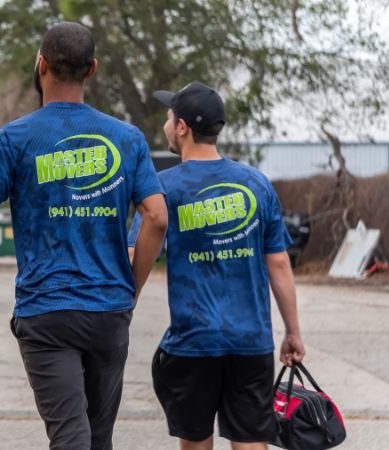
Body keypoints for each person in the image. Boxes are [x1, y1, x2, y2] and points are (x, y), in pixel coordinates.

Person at [0, 22, 168, 450]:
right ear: (91, 70)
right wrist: (131, 286)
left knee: (69, 436)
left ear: (40, 65)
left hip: (47, 311)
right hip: (109, 311)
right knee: (96, 439)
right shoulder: (127, 138)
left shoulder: (16, 139)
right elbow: (156, 218)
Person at [128, 81, 306, 450]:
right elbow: (279, 265)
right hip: (251, 342)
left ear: (182, 127)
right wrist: (292, 332)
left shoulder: (160, 189)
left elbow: (133, 256)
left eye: (168, 116)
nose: (165, 124)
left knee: (195, 443)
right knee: (251, 442)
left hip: (193, 343)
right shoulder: (256, 183)